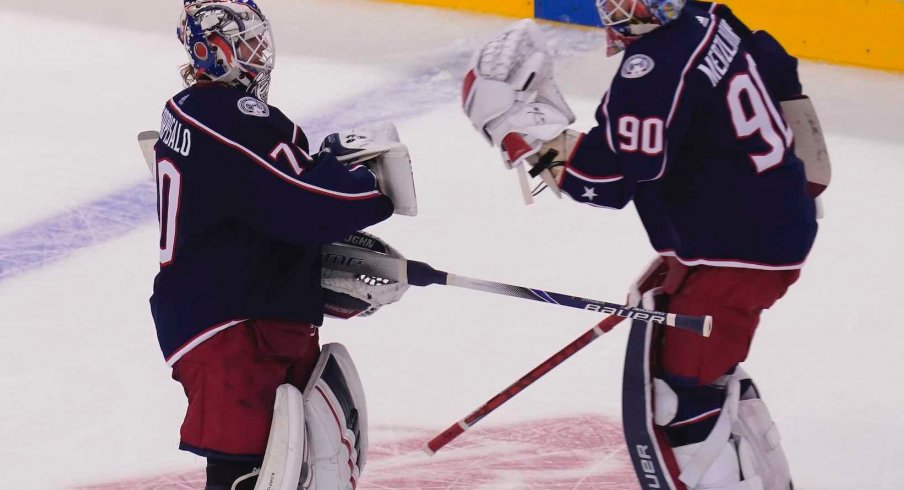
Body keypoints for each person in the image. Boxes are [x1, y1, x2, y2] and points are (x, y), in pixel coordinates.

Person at [462, 1, 827, 488]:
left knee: (681, 399)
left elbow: (609, 180)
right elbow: (776, 65)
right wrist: (807, 178)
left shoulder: (651, 67)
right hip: (760, 231)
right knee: (705, 378)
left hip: (737, 259)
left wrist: (515, 132)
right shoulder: (709, 17)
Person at [151, 1, 415, 488]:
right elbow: (307, 205)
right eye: (248, 43)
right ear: (213, 52)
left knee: (287, 466)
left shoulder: (187, 109)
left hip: (233, 310)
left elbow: (257, 199)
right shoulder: (232, 118)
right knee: (246, 474)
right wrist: (363, 182)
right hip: (231, 327)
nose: (261, 54)